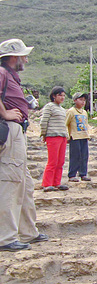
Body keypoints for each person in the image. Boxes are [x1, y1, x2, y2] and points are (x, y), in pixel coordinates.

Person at [0, 38, 48, 251]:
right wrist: (4, 112)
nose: (26, 59)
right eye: (23, 55)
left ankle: (27, 231)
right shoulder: (2, 73)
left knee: (24, 183)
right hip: (9, 129)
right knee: (10, 181)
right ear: (13, 57)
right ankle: (6, 237)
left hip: (17, 130)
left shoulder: (10, 76)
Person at [40, 86, 69, 192]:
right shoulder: (49, 107)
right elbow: (44, 121)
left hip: (62, 137)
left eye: (63, 96)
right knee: (52, 161)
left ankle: (57, 182)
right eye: (60, 95)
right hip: (52, 136)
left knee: (60, 161)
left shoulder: (62, 109)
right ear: (53, 96)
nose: (62, 97)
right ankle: (47, 183)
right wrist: (44, 134)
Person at [66, 92, 91, 182]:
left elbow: (86, 124)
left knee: (84, 156)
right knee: (75, 156)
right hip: (75, 136)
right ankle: (72, 174)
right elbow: (66, 124)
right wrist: (67, 136)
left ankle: (83, 174)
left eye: (84, 100)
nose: (83, 102)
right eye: (80, 100)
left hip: (84, 136)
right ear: (75, 100)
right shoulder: (71, 111)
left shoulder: (84, 112)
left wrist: (88, 134)